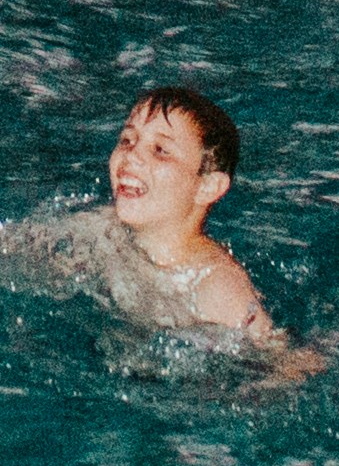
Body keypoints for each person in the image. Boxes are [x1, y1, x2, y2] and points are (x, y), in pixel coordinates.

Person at [98, 82, 278, 341]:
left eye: (160, 150)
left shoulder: (216, 287)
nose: (132, 155)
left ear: (207, 187)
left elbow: (280, 365)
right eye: (127, 140)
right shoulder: (102, 230)